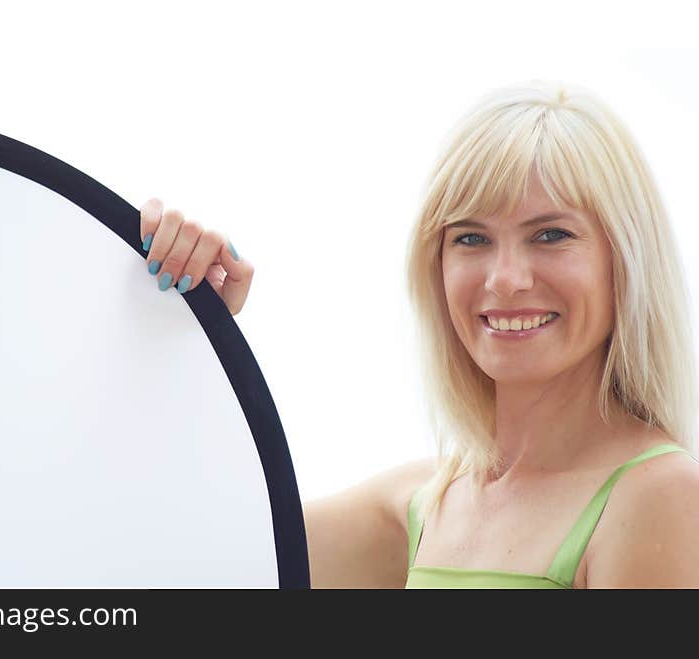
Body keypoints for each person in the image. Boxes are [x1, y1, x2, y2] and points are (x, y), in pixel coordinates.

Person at [137, 79, 699, 589]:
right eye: (471, 239)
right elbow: (164, 555)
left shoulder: (661, 496)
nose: (505, 280)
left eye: (550, 234)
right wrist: (184, 328)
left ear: (623, 261)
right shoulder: (423, 505)